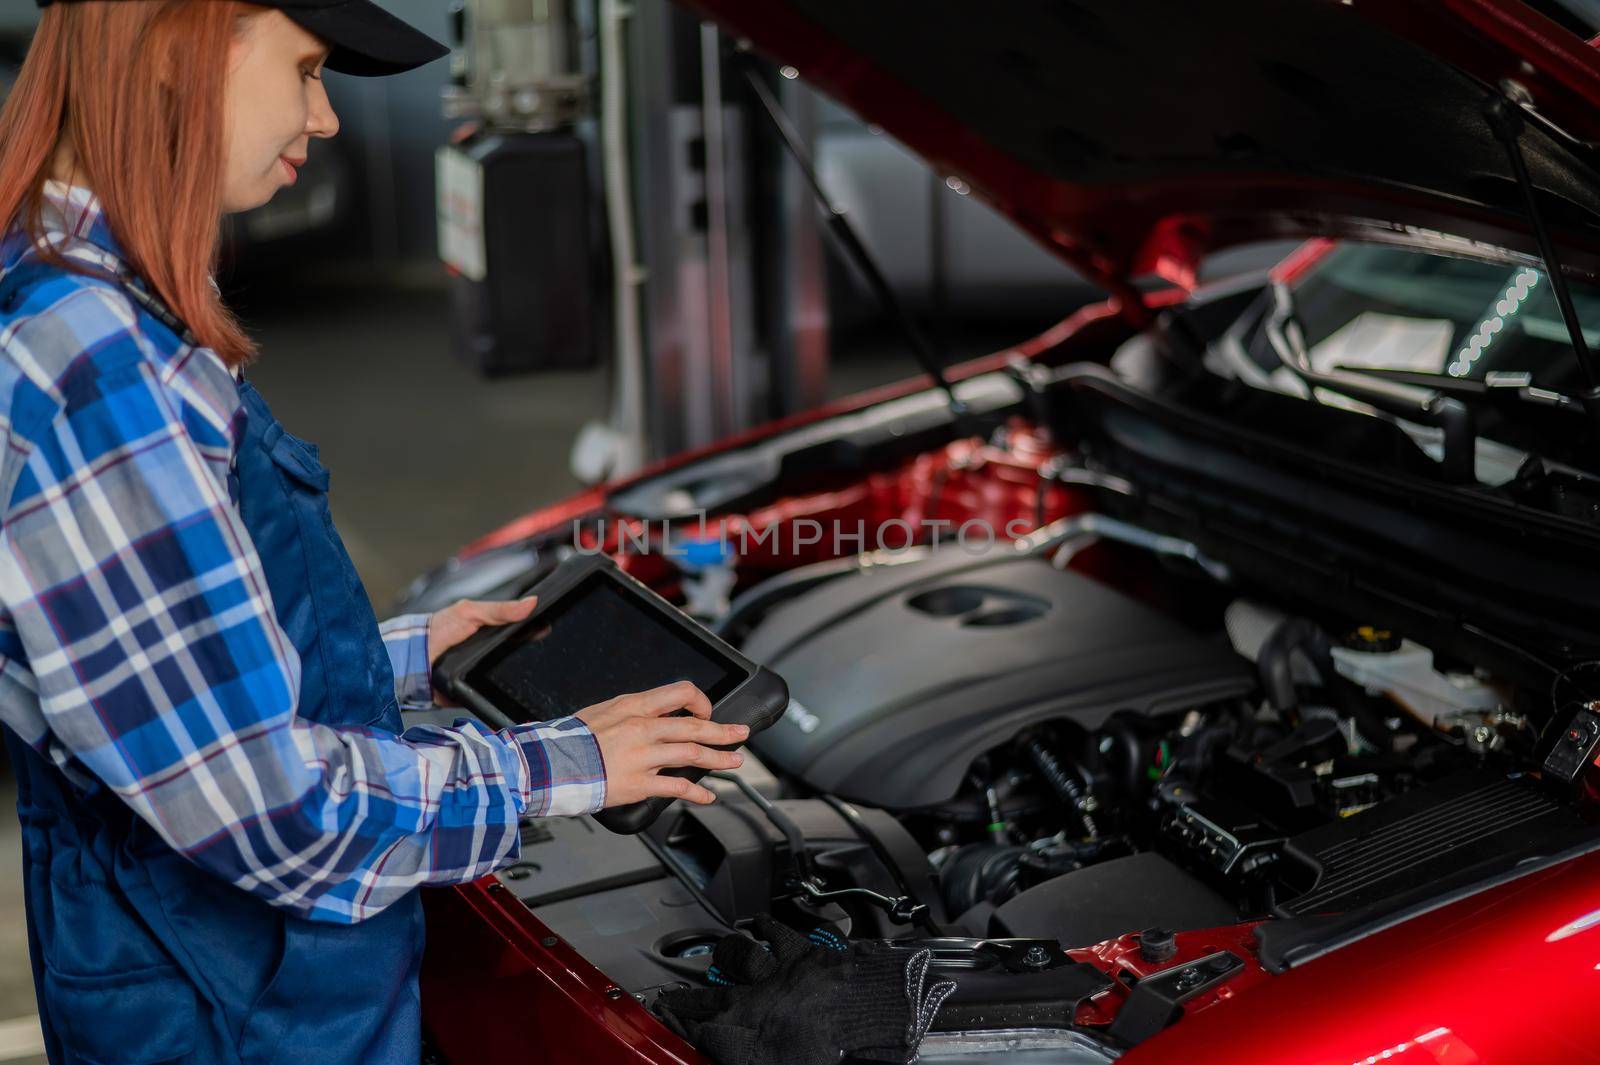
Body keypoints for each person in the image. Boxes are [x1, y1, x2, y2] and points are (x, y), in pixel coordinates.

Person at [0, 2, 748, 1062]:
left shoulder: (66, 284)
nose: (327, 116)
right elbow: (263, 808)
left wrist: (392, 662)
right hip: (235, 1002)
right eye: (305, 69)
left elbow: (140, 688)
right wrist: (561, 765)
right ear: (180, 45)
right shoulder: (96, 361)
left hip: (201, 968)